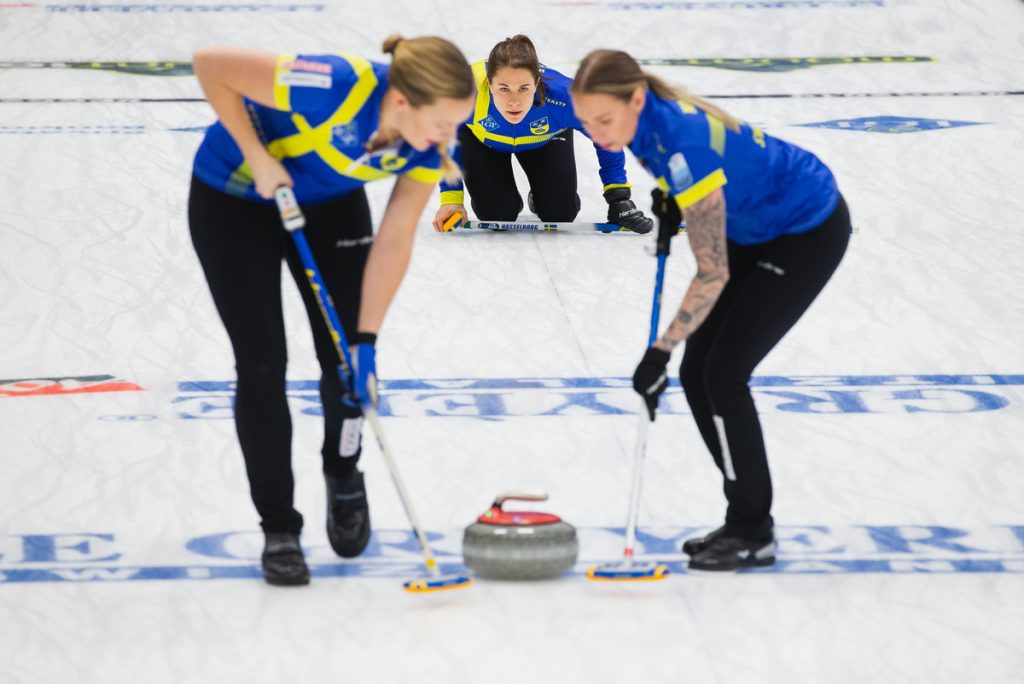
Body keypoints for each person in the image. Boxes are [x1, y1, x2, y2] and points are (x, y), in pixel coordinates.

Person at [188, 36, 474, 585]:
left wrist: (367, 340)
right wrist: (258, 154)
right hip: (234, 197)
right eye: (443, 123)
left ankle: (343, 472)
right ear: (400, 102)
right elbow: (211, 65)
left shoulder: (431, 146)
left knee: (345, 363)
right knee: (263, 364)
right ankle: (279, 527)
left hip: (330, 208)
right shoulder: (333, 84)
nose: (450, 139)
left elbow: (394, 240)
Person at [570, 50, 851, 571]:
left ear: (636, 98)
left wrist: (657, 351)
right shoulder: (646, 123)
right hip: (753, 225)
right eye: (586, 124)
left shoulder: (683, 146)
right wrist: (676, 200)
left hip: (805, 230)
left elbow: (711, 272)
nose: (598, 134)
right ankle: (741, 512)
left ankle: (753, 529)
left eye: (604, 121)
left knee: (723, 374)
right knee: (698, 373)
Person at [430, 35, 652, 233]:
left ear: (537, 83)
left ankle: (540, 197)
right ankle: (506, 199)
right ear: (489, 83)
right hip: (484, 143)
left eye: (524, 88)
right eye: (504, 89)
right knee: (497, 215)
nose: (514, 101)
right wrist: (451, 199)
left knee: (560, 214)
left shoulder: (567, 98)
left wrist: (619, 198)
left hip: (544, 142)